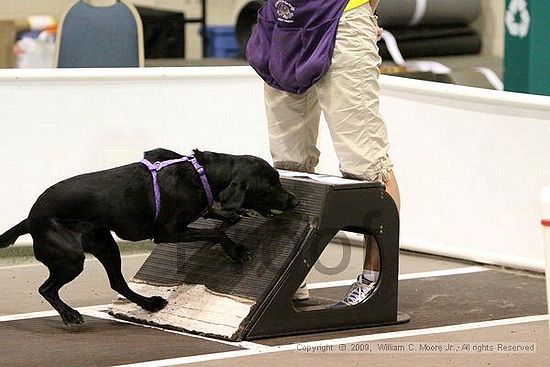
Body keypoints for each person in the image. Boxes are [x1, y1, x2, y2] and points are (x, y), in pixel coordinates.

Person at [247, 0, 400, 305]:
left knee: (366, 165)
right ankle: (292, 276)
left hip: (341, 19)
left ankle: (375, 278)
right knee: (288, 164)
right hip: (283, 24)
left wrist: (361, 14)